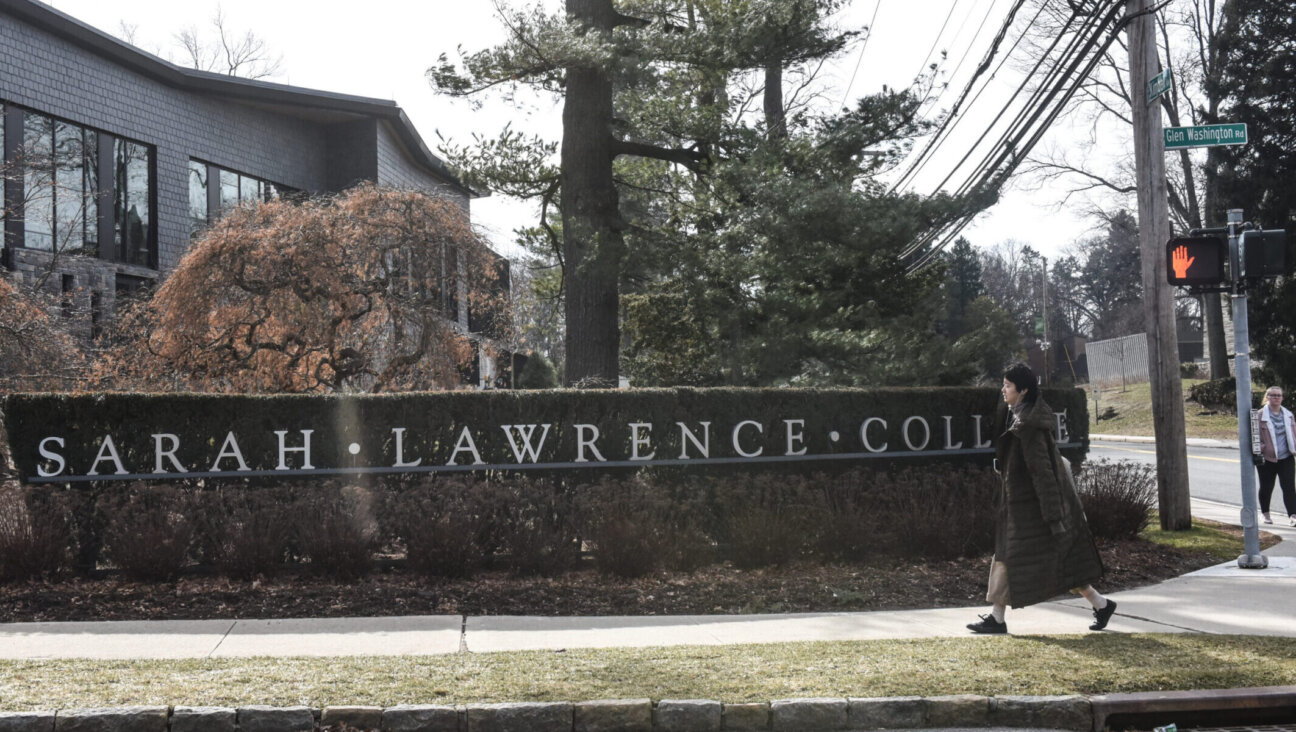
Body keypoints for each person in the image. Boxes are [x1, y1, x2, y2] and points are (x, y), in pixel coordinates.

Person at [967, 363, 1117, 634]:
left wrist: (1053, 516)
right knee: (1031, 557)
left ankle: (998, 619)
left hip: (1032, 510)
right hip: (1021, 505)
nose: (1003, 390)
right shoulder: (1020, 417)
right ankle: (1100, 604)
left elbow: (1043, 472)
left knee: (1020, 557)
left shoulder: (1029, 426)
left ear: (1023, 390)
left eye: (1008, 386)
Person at [1255, 386, 1296, 526]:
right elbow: (1254, 436)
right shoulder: (1260, 415)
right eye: (1273, 395)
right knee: (1266, 486)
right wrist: (1262, 449)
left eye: (1279, 395)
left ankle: (1293, 515)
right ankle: (1265, 514)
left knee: (1289, 487)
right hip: (1268, 458)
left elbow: (1293, 434)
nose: (1276, 398)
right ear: (1267, 397)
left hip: (1286, 457)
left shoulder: (1288, 415)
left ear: (1282, 398)